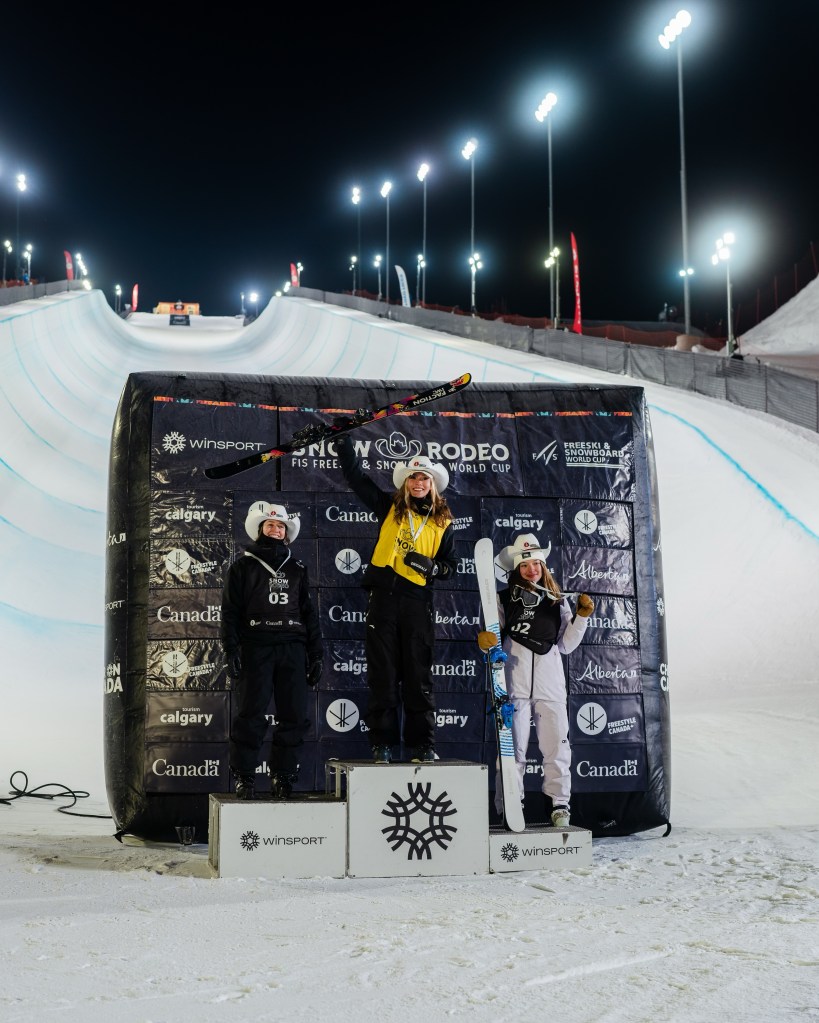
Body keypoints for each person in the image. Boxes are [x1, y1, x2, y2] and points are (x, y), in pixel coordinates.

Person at [336, 436, 457, 764]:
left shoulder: (443, 522)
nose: (418, 482)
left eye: (424, 478)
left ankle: (423, 745)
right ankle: (383, 744)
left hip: (417, 602)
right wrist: (344, 445)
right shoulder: (389, 508)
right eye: (413, 477)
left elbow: (452, 567)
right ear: (405, 483)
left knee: (418, 676)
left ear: (432, 485)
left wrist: (435, 568)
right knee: (384, 675)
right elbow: (357, 479)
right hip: (384, 600)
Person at [477, 533, 594, 828]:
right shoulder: (503, 598)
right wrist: (485, 642)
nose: (532, 570)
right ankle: (510, 805)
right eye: (525, 565)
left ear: (543, 566)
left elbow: (566, 645)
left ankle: (559, 805)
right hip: (513, 682)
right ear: (517, 568)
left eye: (536, 564)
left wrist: (581, 617)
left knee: (557, 747)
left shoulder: (557, 599)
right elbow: (492, 637)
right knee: (511, 749)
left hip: (550, 682)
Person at [221, 502, 323, 800]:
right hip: (256, 646)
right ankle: (245, 777)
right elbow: (230, 612)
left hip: (293, 647)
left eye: (280, 526)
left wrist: (316, 654)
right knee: (250, 713)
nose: (276, 529)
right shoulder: (242, 567)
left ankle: (283, 777)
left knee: (294, 716)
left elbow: (309, 614)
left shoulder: (297, 568)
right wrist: (231, 649)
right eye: (270, 524)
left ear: (286, 533)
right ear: (260, 529)